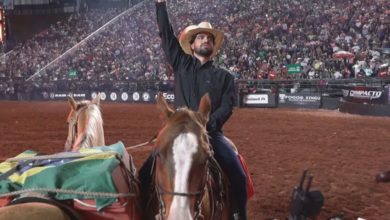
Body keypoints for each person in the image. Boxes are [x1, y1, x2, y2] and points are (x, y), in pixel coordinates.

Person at [138, 0, 248, 219]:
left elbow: (227, 107)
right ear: (193, 44)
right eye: (200, 37)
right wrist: (160, 6)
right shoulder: (181, 63)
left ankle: (238, 215)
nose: (205, 39)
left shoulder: (225, 77)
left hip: (211, 134)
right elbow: (166, 37)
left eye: (209, 38)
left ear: (212, 46)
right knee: (144, 173)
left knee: (238, 173)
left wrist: (207, 124)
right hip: (178, 132)